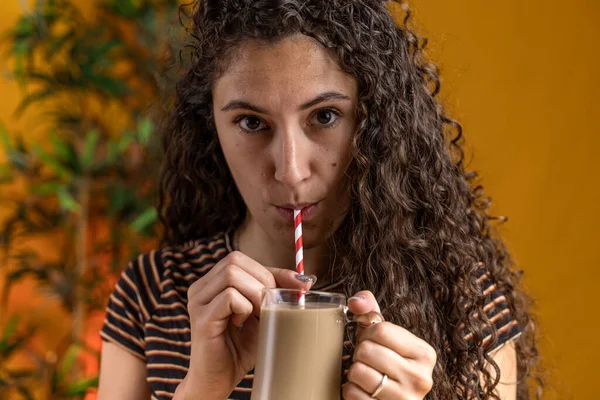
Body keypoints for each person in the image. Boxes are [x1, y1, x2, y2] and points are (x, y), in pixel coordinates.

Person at [97, 0, 541, 399]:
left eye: (324, 116)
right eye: (251, 123)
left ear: (372, 122)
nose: (290, 169)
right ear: (210, 124)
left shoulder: (462, 299)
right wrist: (203, 390)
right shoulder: (153, 292)